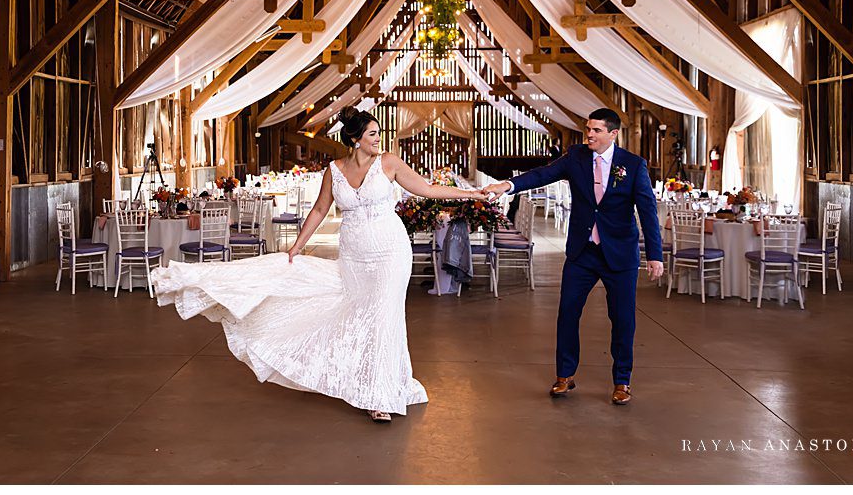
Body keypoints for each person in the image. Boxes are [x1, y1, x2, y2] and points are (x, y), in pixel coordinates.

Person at [151, 107, 487, 423]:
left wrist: (474, 194)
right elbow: (318, 210)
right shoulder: (334, 171)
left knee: (384, 316)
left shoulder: (389, 163)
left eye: (379, 133)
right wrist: (297, 246)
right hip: (354, 255)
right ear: (355, 139)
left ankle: (380, 396)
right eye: (372, 134)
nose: (378, 139)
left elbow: (428, 189)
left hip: (390, 252)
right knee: (360, 316)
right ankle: (367, 382)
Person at [483, 108, 663, 405]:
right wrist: (508, 186)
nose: (589, 134)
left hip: (619, 254)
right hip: (582, 252)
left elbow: (647, 212)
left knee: (622, 320)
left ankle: (622, 381)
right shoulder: (576, 157)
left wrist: (654, 254)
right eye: (588, 129)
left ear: (613, 134)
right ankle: (564, 375)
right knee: (567, 312)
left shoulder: (633, 165)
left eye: (596, 130)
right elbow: (543, 174)